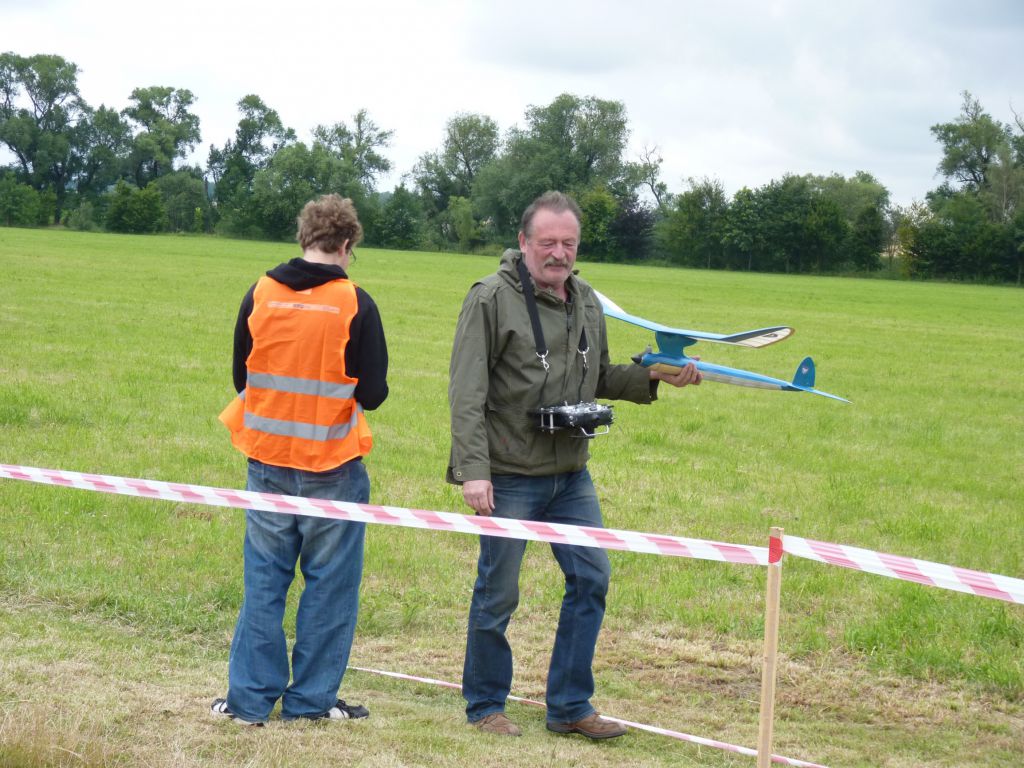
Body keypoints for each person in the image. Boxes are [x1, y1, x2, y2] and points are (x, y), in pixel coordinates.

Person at [448, 191, 701, 739]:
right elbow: (466, 392)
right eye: (547, 243)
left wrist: (655, 375)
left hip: (570, 474)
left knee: (591, 578)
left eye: (569, 243)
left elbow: (599, 376)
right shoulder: (490, 299)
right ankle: (486, 705)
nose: (558, 253)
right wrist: (474, 470)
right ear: (523, 242)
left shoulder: (585, 299)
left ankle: (569, 707)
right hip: (509, 473)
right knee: (498, 592)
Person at [212, 194, 389, 726]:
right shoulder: (355, 303)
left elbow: (242, 377)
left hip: (266, 461)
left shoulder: (260, 293)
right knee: (329, 587)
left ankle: (248, 701)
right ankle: (310, 703)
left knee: (264, 584)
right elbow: (374, 392)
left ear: (304, 237)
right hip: (333, 465)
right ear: (347, 243)